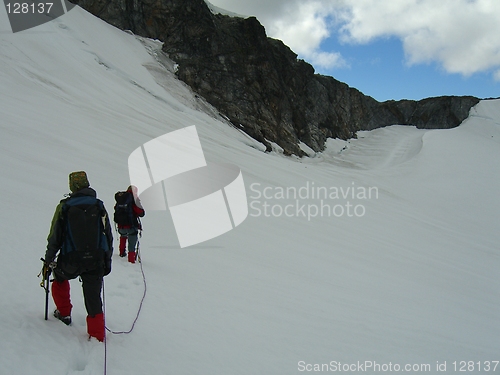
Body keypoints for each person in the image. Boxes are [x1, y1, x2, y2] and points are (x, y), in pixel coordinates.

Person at [44, 171, 113, 342]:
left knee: (59, 276)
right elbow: (108, 235)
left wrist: (48, 259)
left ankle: (64, 313)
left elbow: (55, 237)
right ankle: (97, 335)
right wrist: (107, 259)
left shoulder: (64, 206)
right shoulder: (99, 205)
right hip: (96, 259)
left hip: (71, 260)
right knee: (93, 296)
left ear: (72, 186)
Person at [115, 185, 145, 263]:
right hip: (131, 225)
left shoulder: (121, 198)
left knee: (123, 236)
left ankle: (121, 253)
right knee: (132, 240)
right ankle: (131, 259)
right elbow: (141, 212)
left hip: (121, 225)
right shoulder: (134, 199)